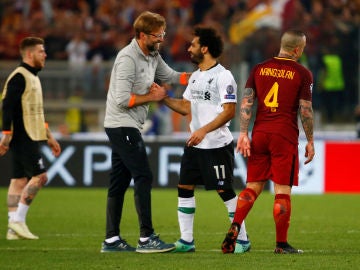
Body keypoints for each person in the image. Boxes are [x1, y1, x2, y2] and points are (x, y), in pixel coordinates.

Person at [101, 11, 189, 253]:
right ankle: (146, 237)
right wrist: (153, 96)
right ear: (141, 35)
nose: (161, 39)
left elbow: (170, 75)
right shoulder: (128, 58)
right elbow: (120, 99)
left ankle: (111, 240)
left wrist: (201, 76)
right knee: (144, 175)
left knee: (119, 183)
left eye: (163, 34)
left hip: (127, 124)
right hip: (122, 124)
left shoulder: (152, 54)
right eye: (157, 35)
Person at [221, 29, 315, 254]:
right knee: (282, 191)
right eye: (302, 48)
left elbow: (246, 103)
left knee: (252, 186)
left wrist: (243, 133)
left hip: (259, 133)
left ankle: (235, 227)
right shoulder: (302, 73)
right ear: (296, 49)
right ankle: (281, 245)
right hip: (284, 135)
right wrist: (310, 140)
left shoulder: (258, 68)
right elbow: (306, 110)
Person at [162, 26, 250, 253]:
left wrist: (203, 130)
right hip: (195, 145)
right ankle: (186, 240)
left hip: (217, 145)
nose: (188, 48)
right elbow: (185, 107)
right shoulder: (195, 78)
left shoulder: (224, 76)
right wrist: (163, 98)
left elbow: (230, 111)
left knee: (225, 190)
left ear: (205, 48)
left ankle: (243, 240)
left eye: (192, 45)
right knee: (184, 187)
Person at [0, 37, 61, 240]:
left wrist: (50, 137)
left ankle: (11, 229)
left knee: (18, 180)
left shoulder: (32, 77)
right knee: (40, 176)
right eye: (41, 51)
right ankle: (18, 220)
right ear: (29, 54)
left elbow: (38, 113)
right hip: (23, 134)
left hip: (32, 134)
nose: (45, 55)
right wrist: (6, 134)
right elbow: (7, 106)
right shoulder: (19, 76)